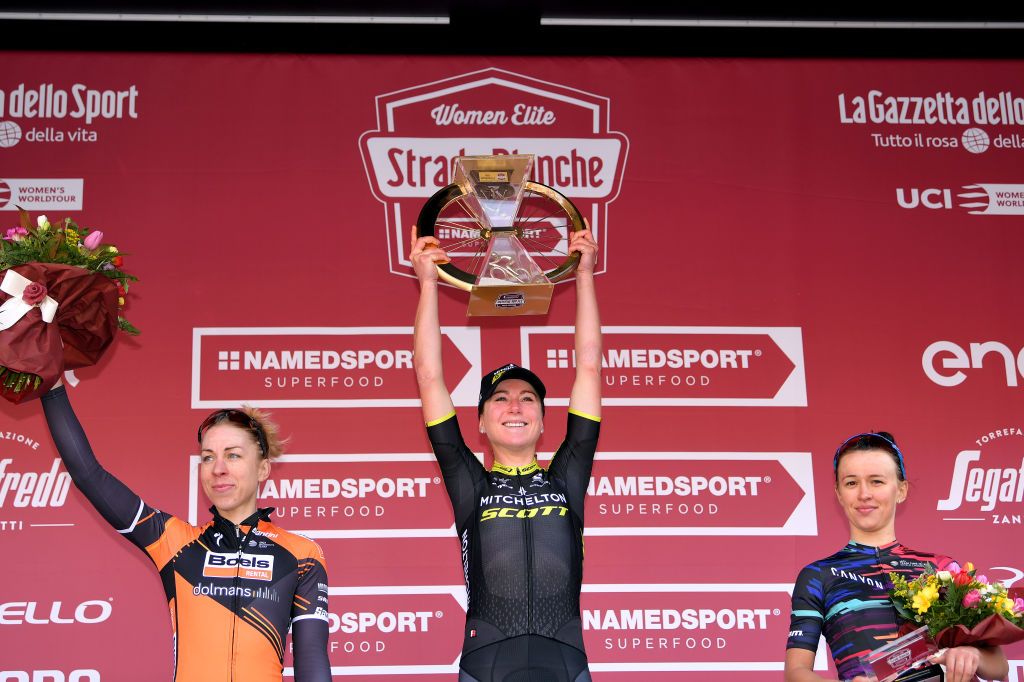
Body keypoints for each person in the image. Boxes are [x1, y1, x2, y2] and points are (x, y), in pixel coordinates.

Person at [40, 380, 332, 682]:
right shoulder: (174, 542)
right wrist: (52, 387)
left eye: (233, 455)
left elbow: (312, 658)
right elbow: (89, 475)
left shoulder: (302, 554)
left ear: (262, 469)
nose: (218, 468)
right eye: (207, 457)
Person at [410, 225, 602, 682]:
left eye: (528, 398)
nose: (514, 405)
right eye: (500, 399)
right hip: (487, 665)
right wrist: (428, 283)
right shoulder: (469, 482)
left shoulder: (567, 477)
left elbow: (589, 364)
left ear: (541, 420)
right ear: (478, 422)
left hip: (567, 663)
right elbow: (428, 376)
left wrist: (587, 274)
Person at [784, 432, 1009, 682]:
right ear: (838, 494)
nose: (864, 494)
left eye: (877, 481)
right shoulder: (818, 576)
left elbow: (999, 667)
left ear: (901, 490)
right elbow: (796, 673)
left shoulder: (943, 569)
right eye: (851, 483)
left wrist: (971, 654)